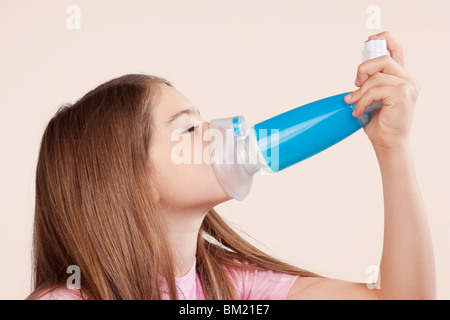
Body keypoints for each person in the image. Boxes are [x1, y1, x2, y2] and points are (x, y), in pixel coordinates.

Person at [27, 31, 435, 300]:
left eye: (203, 120)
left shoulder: (231, 285)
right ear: (129, 181)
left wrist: (392, 147)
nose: (216, 133)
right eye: (188, 129)